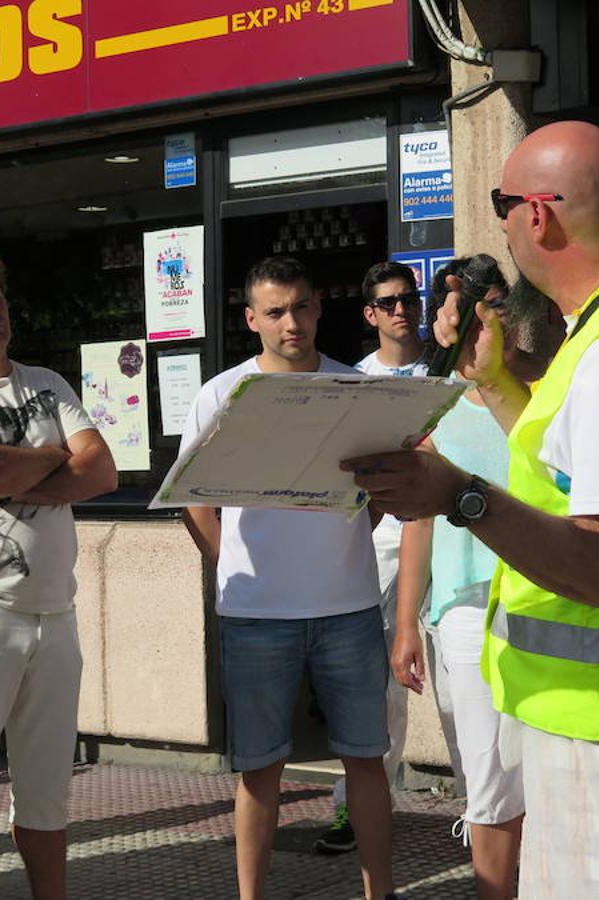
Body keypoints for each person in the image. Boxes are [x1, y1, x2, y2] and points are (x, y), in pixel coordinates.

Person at [343, 121, 599, 898]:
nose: (500, 225)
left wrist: (459, 497)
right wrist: (499, 387)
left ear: (538, 215)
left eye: (503, 204)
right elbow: (568, 478)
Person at [180, 256, 396, 900]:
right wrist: (236, 570)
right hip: (255, 615)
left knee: (366, 759)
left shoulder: (357, 386)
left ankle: (379, 890)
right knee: (258, 768)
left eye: (300, 306)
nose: (291, 322)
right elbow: (194, 498)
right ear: (251, 320)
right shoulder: (222, 393)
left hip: (349, 605)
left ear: (318, 307)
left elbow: (379, 489)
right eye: (274, 311)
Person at [0, 249, 117, 899]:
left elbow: (103, 471)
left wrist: (23, 464)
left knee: (46, 795)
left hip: (55, 615)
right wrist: (58, 455)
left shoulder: (46, 384)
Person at [392, 255, 536, 900]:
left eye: (495, 303)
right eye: (465, 305)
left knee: (532, 765)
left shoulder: (537, 390)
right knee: (485, 768)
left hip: (541, 595)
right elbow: (417, 521)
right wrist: (404, 625)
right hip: (461, 609)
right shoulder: (433, 402)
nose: (481, 318)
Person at [316, 261, 428, 855]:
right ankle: (357, 811)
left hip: (454, 534)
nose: (401, 310)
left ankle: (493, 818)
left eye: (409, 298)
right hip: (384, 543)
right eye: (388, 303)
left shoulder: (447, 368)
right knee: (380, 681)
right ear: (370, 314)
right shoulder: (354, 383)